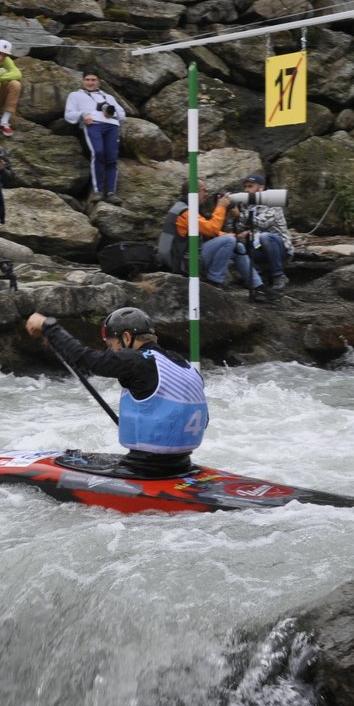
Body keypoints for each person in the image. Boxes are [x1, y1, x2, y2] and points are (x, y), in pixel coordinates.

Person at [24, 307, 208, 479]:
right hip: (182, 466)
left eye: (111, 344)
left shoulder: (138, 361)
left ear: (127, 338)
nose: (110, 351)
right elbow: (201, 419)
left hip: (147, 471)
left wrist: (49, 327)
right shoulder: (182, 364)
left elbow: (86, 359)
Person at [157, 183, 268, 301]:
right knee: (229, 241)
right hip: (184, 263)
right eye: (204, 190)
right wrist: (221, 207)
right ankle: (214, 282)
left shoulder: (182, 208)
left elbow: (206, 231)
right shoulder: (185, 213)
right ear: (194, 193)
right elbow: (211, 229)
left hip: (186, 257)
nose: (206, 194)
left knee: (238, 246)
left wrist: (236, 236)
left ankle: (258, 287)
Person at [63, 72, 123, 203]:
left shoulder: (108, 97)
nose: (90, 82)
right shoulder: (75, 95)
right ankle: (98, 191)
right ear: (83, 81)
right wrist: (84, 114)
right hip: (93, 125)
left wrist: (110, 113)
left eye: (93, 80)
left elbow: (122, 114)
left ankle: (111, 192)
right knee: (98, 153)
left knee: (112, 158)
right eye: (87, 80)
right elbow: (69, 114)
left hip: (112, 126)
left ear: (98, 82)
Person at [231, 173, 292, 291]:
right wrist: (236, 218)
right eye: (245, 187)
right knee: (240, 242)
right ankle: (256, 277)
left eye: (250, 186)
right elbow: (240, 229)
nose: (246, 190)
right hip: (257, 247)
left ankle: (278, 276)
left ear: (261, 188)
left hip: (279, 247)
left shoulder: (273, 201)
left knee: (265, 237)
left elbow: (263, 223)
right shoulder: (245, 205)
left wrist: (241, 216)